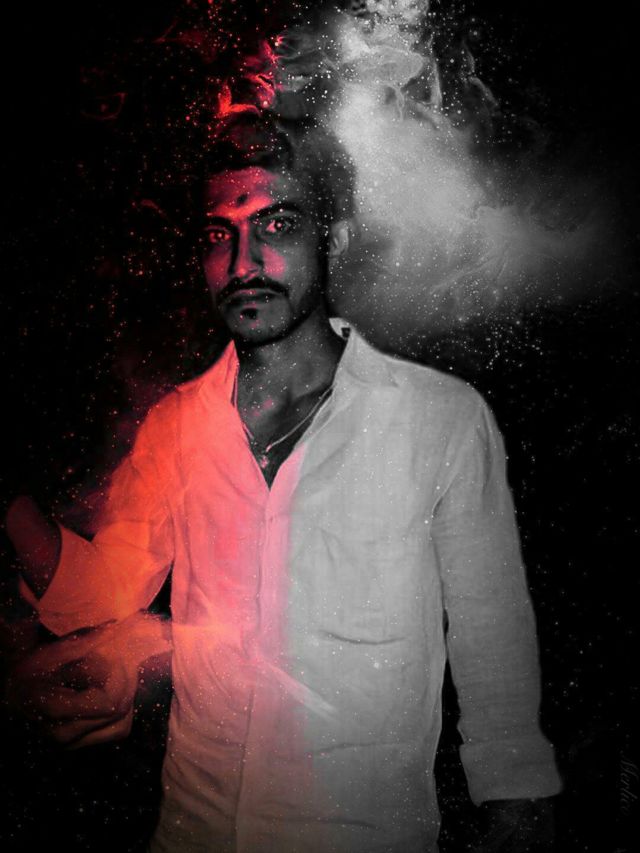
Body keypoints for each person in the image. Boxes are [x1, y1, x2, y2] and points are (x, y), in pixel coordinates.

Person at [4, 111, 562, 852]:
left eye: (278, 224)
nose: (244, 262)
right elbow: (100, 600)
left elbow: (491, 635)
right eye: (219, 234)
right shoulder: (175, 426)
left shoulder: (441, 420)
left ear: (336, 238)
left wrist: (518, 803)